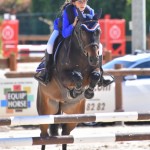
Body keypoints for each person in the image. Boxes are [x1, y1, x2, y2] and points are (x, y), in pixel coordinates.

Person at [35, 0, 113, 87]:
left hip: (80, 35)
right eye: (80, 1)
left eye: (84, 1)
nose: (83, 4)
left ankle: (101, 75)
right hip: (62, 30)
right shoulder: (68, 11)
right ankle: (47, 72)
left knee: (100, 47)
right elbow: (65, 33)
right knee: (50, 45)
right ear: (73, 2)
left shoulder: (90, 11)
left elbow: (91, 28)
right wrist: (74, 24)